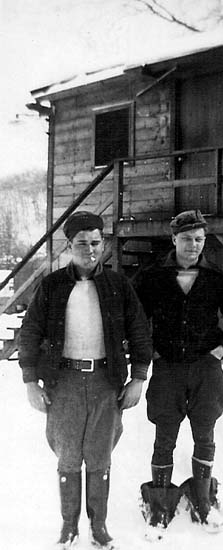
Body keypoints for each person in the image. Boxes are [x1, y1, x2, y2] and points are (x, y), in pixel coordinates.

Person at [18, 211, 152, 549]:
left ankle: (99, 527)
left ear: (103, 243)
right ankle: (68, 527)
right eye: (82, 243)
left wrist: (138, 377)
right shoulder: (51, 285)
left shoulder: (118, 286)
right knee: (67, 455)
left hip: (106, 381)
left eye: (95, 243)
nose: (90, 250)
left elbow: (139, 331)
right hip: (63, 382)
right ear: (69, 246)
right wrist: (30, 380)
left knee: (99, 454)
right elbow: (30, 331)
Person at [135, 209, 223, 535]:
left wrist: (221, 351)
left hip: (205, 371)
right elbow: (135, 319)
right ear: (174, 239)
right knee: (165, 436)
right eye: (187, 239)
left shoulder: (216, 278)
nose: (194, 245)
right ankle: (159, 506)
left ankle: (203, 501)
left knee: (205, 434)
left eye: (199, 239)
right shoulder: (153, 276)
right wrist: (150, 350)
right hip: (168, 369)